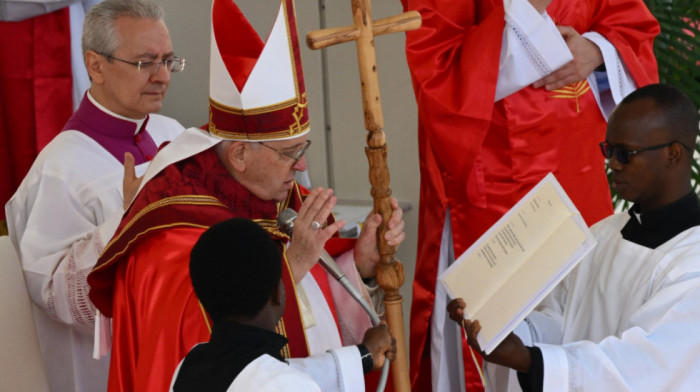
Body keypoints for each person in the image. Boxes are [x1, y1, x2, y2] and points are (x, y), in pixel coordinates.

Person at [87, 0, 406, 391]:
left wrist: (361, 263)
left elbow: (315, 311)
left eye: (303, 150)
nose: (302, 167)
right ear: (239, 154)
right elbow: (211, 363)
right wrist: (292, 266)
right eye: (292, 154)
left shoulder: (279, 198)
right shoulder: (172, 234)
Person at [399, 0, 661, 389]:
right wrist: (529, 14)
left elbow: (630, 22)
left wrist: (598, 50)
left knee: (584, 317)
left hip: (580, 168)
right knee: (495, 331)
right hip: (496, 176)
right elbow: (441, 66)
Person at [448, 84, 700, 391]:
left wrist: (531, 361)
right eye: (608, 150)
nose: (613, 163)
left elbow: (643, 368)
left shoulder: (692, 261)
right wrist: (508, 333)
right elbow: (559, 318)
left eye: (625, 153)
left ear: (673, 154)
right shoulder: (603, 233)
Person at [4, 0, 185, 390]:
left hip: (181, 353)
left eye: (169, 60)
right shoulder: (59, 171)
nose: (163, 76)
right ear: (96, 65)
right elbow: (54, 297)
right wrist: (128, 223)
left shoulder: (174, 135)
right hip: (111, 371)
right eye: (145, 63)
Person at [170, 217, 397, 391]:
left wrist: (364, 355)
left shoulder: (191, 364)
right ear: (279, 294)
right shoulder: (284, 383)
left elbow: (282, 372)